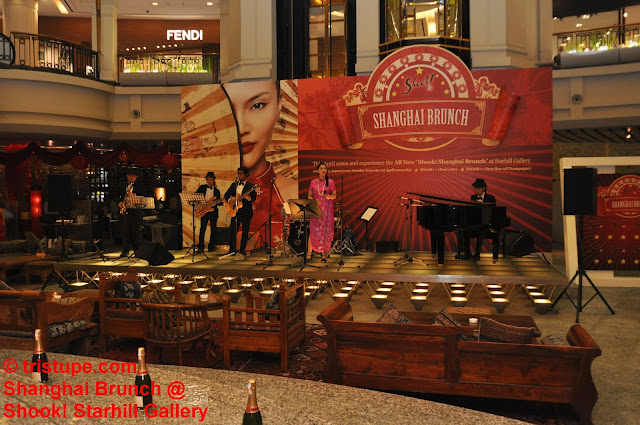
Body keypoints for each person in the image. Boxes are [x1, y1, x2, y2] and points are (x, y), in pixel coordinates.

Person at [223, 80, 297, 247]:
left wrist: (247, 197)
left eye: (257, 105)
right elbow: (227, 195)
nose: (241, 128)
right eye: (227, 111)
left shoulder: (292, 191)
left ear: (279, 105)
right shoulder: (231, 184)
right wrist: (230, 202)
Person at [223, 167, 257, 257]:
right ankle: (232, 250)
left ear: (246, 175)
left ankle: (242, 250)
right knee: (233, 230)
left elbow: (253, 198)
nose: (239, 175)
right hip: (235, 210)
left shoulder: (250, 186)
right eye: (238, 173)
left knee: (245, 231)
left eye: (241, 173)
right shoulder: (234, 185)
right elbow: (226, 195)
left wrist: (248, 198)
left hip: (246, 212)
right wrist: (230, 200)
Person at [307, 163, 337, 263]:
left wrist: (330, 197)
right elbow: (309, 196)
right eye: (321, 168)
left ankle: (324, 255)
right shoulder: (313, 182)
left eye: (325, 168)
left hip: (327, 209)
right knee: (313, 231)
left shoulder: (331, 182)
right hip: (316, 209)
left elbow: (335, 195)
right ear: (318, 171)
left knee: (326, 231)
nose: (323, 170)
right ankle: (309, 254)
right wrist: (314, 200)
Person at [464, 178, 497, 261]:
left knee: (481, 230)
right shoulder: (473, 197)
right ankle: (467, 252)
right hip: (475, 222)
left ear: (483, 188)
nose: (475, 190)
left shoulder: (490, 198)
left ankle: (477, 253)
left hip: (486, 223)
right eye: (475, 188)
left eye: (478, 188)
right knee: (463, 230)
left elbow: (493, 212)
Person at [118, 168, 148, 258]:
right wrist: (119, 202)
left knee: (135, 233)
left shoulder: (140, 186)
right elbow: (115, 195)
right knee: (124, 231)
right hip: (124, 211)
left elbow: (145, 196)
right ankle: (125, 250)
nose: (131, 178)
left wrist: (134, 195)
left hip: (135, 212)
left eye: (133, 176)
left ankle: (137, 251)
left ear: (136, 177)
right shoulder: (121, 185)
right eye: (129, 176)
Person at [196, 171, 221, 252]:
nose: (209, 181)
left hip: (213, 211)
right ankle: (200, 246)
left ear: (214, 180)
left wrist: (217, 202)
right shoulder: (202, 188)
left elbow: (219, 202)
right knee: (202, 228)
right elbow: (196, 197)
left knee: (213, 229)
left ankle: (211, 246)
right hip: (203, 210)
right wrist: (201, 206)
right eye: (207, 179)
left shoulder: (217, 191)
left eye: (210, 179)